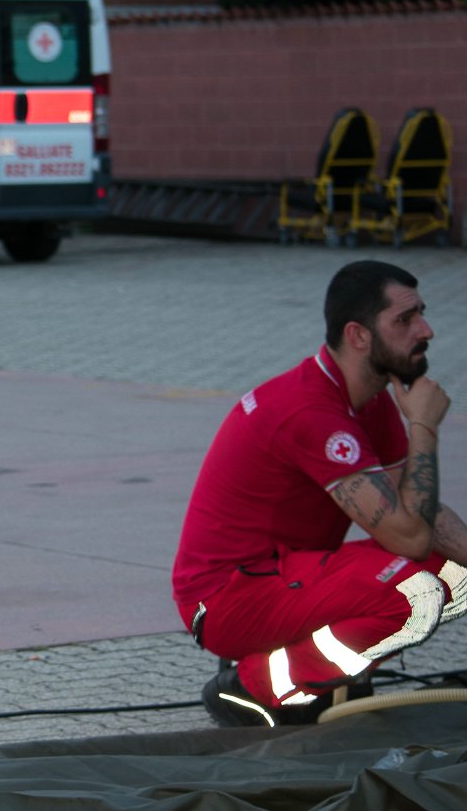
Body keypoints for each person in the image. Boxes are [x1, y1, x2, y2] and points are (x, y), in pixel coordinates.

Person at [173, 260, 467, 727]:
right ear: (359, 335)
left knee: (458, 574)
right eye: (405, 319)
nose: (426, 330)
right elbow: (409, 540)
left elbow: (417, 515)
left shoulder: (368, 400)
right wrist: (424, 426)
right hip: (227, 597)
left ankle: (328, 674)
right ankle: (256, 687)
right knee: (415, 595)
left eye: (422, 314)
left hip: (285, 574)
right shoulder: (311, 410)